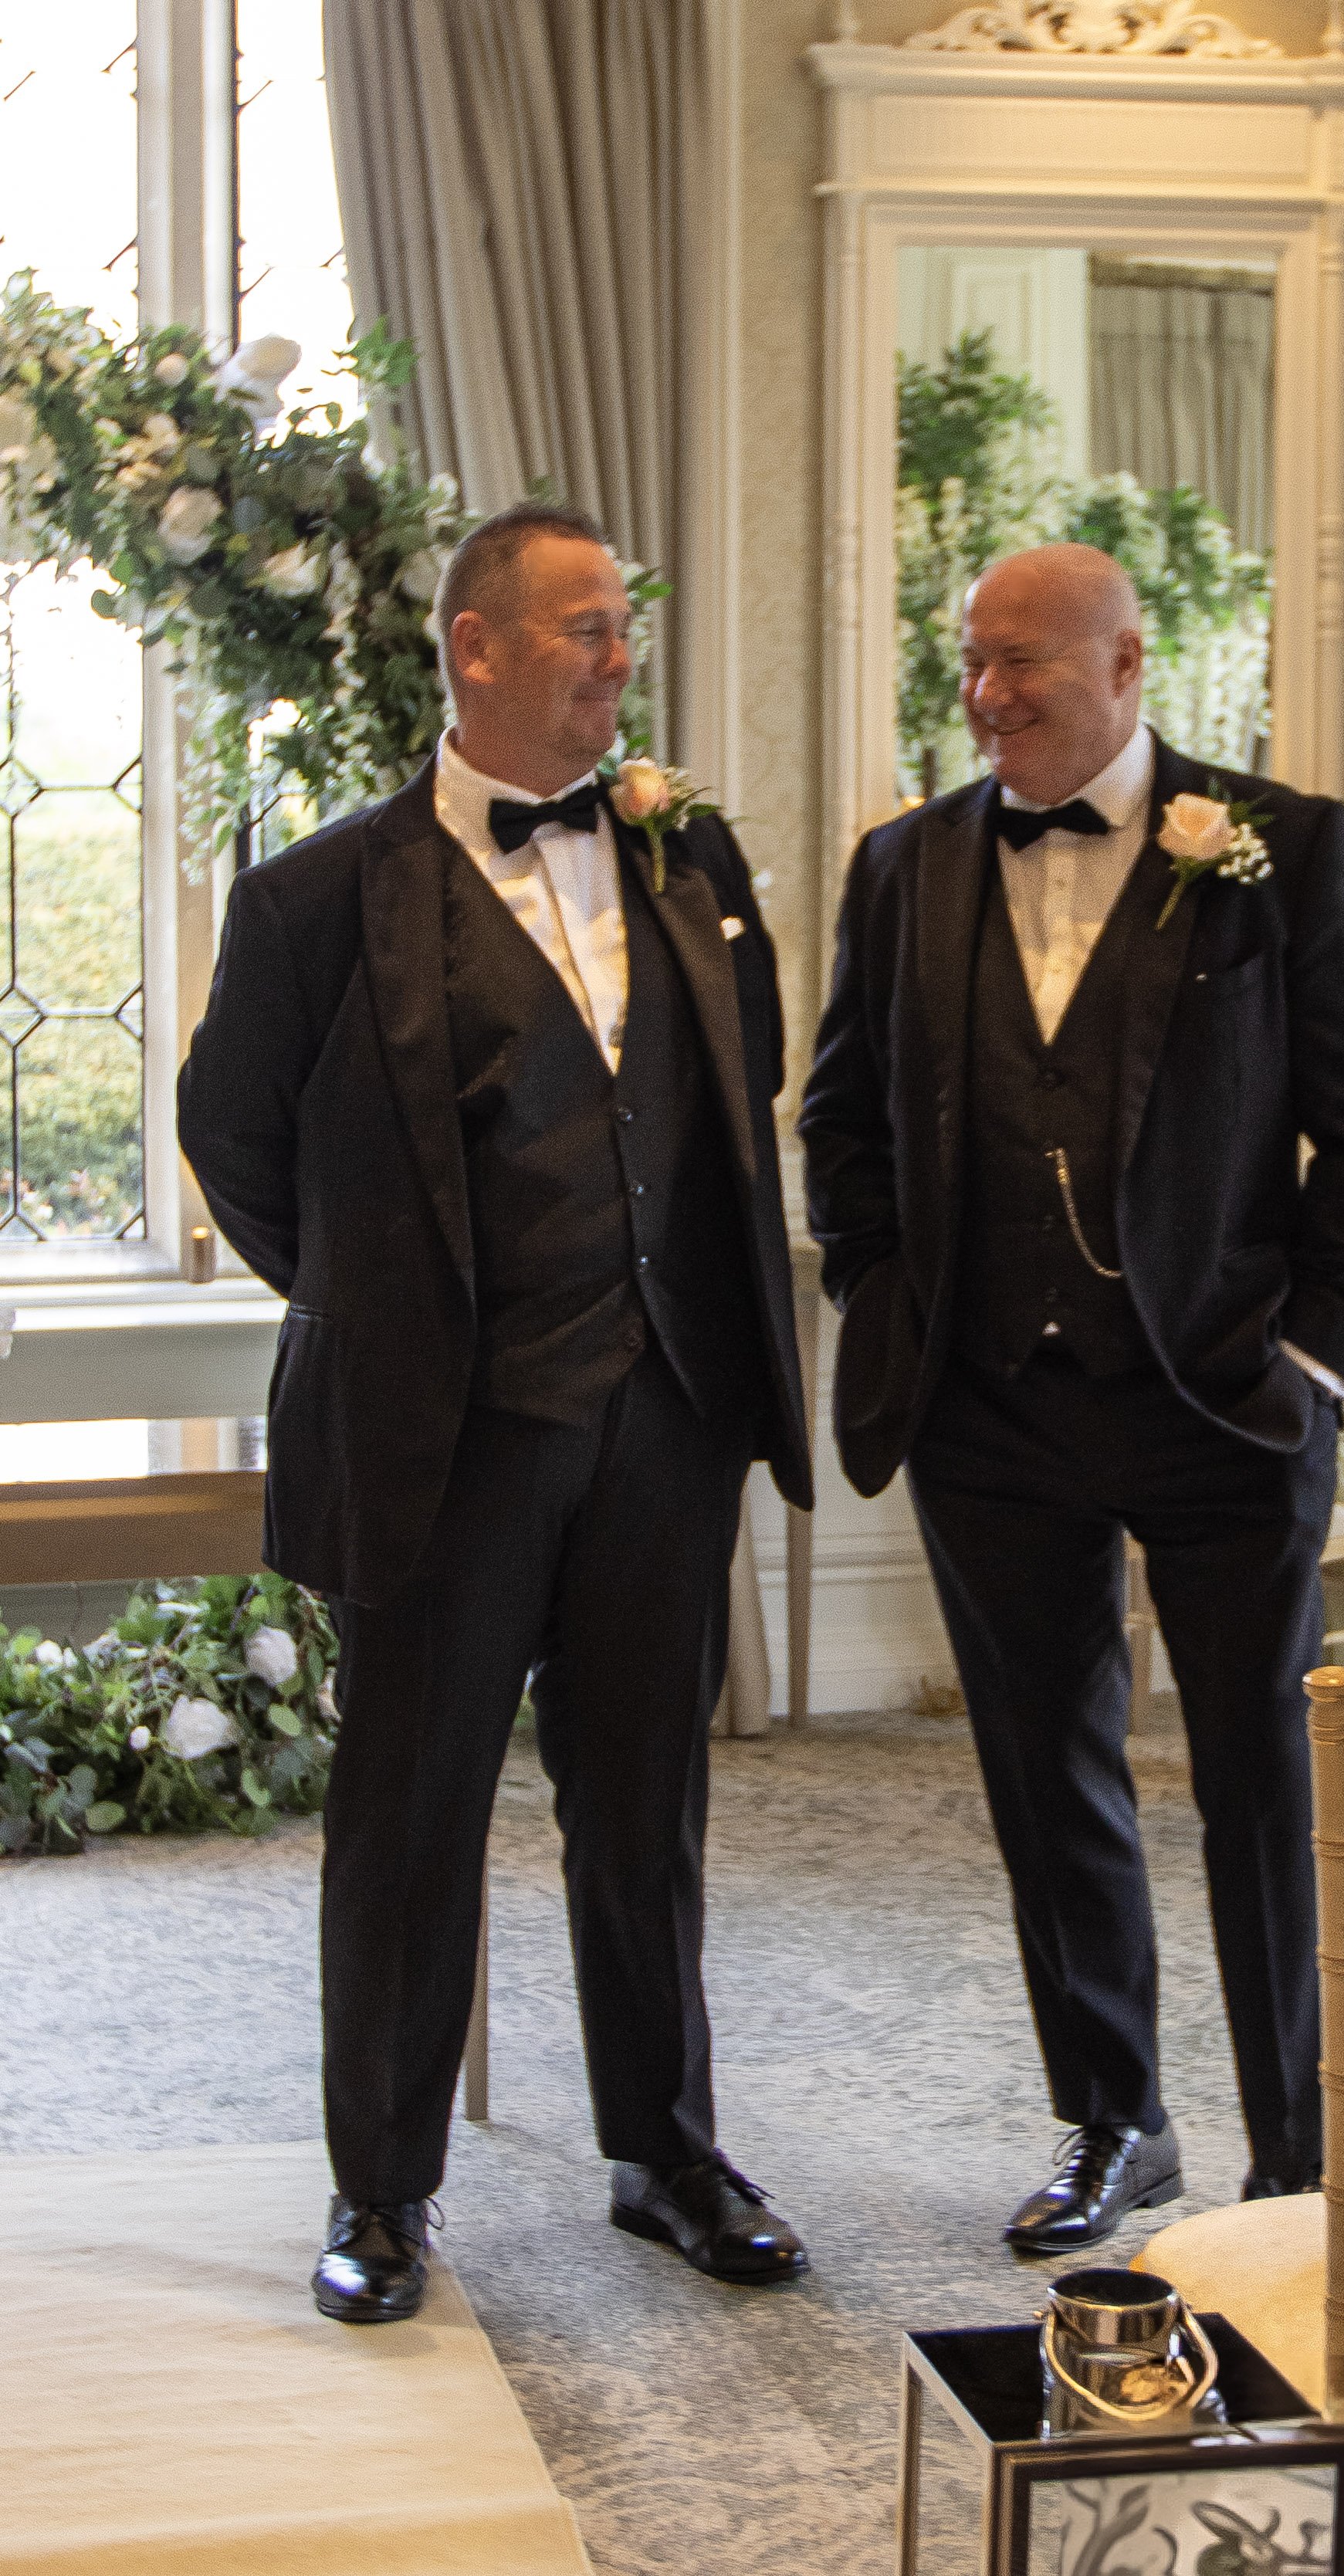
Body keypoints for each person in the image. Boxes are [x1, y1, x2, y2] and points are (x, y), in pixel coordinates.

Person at [179, 501, 814, 2318]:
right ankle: (381, 2189)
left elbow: (739, 1081)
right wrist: (386, 1303)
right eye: (583, 624)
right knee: (411, 1806)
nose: (618, 654)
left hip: (662, 1415)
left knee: (646, 1801)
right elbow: (233, 1134)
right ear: (475, 647)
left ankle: (665, 2151)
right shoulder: (318, 897)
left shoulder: (688, 856)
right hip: (445, 1436)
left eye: (621, 624)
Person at [799, 543, 1344, 2249]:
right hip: (991, 1409)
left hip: (1225, 1401)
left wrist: (1316, 1356)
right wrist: (886, 1298)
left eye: (1024, 663)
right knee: (1044, 1769)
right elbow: (841, 1122)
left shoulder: (1277, 847)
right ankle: (1112, 2121)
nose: (987, 695)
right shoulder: (903, 865)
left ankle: (1295, 2155)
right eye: (972, 662)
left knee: (1260, 1782)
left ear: (1128, 664)